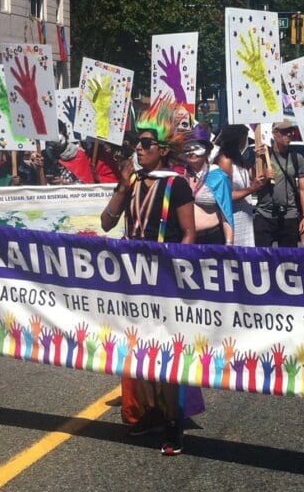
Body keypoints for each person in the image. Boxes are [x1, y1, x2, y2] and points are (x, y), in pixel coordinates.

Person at [101, 98, 197, 455]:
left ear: (163, 150)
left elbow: (188, 233)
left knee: (166, 353)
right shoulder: (134, 182)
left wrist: (178, 275)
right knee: (136, 348)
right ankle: (151, 413)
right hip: (133, 278)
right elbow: (106, 222)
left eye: (145, 144)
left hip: (165, 278)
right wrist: (123, 186)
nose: (138, 150)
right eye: (136, 144)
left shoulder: (176, 184)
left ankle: (173, 424)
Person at [253, 120, 304, 248]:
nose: (289, 134)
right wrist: (264, 174)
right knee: (262, 260)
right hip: (265, 214)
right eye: (285, 132)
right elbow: (254, 185)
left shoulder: (297, 158)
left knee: (289, 261)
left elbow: (303, 188)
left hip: (288, 215)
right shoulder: (263, 156)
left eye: (291, 131)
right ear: (274, 134)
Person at [183, 125, 233, 245]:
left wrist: (229, 244)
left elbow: (226, 214)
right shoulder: (180, 175)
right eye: (188, 148)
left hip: (211, 239)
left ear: (207, 151)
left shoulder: (218, 177)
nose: (192, 152)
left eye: (197, 148)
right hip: (184, 239)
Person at [214, 125, 262, 247]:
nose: (245, 143)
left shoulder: (239, 159)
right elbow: (226, 196)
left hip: (245, 217)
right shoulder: (225, 161)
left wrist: (260, 159)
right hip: (232, 218)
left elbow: (254, 178)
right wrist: (251, 189)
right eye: (244, 139)